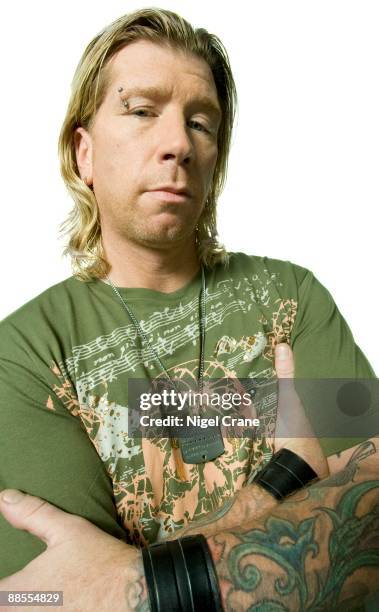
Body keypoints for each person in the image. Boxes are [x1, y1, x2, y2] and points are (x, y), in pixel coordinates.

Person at [0, 7, 378, 610]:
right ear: (84, 153)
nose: (178, 143)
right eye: (142, 111)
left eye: (201, 123)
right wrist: (290, 476)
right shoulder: (25, 354)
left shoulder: (291, 297)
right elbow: (43, 597)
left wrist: (136, 580)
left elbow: (373, 520)